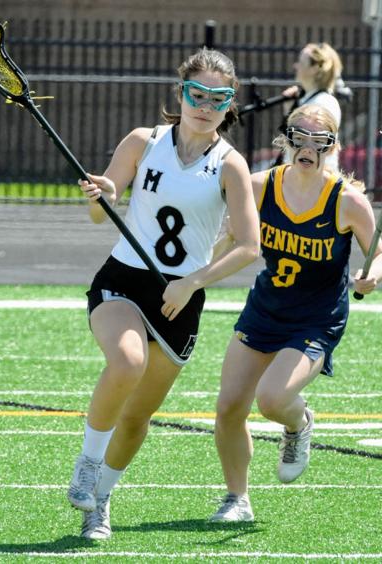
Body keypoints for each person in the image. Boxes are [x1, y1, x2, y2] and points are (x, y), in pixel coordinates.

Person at [68, 48, 261, 540]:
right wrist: (104, 194)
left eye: (218, 98)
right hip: (123, 279)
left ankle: (101, 501)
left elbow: (249, 246)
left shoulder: (230, 165)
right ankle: (88, 464)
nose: (205, 105)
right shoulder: (143, 141)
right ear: (181, 93)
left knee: (136, 418)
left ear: (230, 103)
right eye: (197, 93)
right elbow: (100, 212)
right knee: (127, 362)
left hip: (180, 298)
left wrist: (193, 281)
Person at [210, 104, 381, 522]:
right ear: (285, 139)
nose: (306, 147)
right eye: (297, 137)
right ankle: (237, 499)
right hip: (265, 309)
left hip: (316, 318)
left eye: (317, 140)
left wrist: (370, 275)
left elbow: (377, 252)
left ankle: (298, 422)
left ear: (332, 146)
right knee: (230, 407)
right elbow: (230, 238)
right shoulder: (258, 187)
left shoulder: (347, 202)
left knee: (272, 399)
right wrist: (193, 276)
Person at [279, 43, 344, 171]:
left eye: (301, 62)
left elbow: (320, 148)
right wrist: (289, 110)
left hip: (315, 181)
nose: (295, 66)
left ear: (315, 68)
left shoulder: (324, 102)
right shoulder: (309, 99)